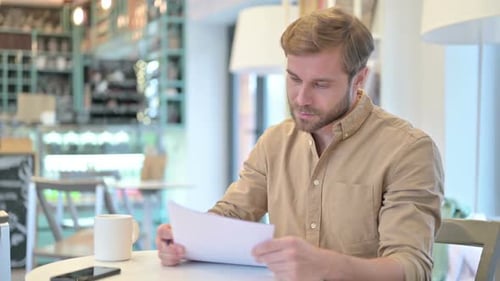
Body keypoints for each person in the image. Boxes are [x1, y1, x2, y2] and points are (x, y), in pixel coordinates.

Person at [156, 6, 443, 281]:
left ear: (360, 79)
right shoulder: (275, 142)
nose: (301, 98)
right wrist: (186, 240)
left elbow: (411, 268)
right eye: (294, 79)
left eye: (320, 84)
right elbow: (231, 215)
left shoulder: (408, 150)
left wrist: (327, 265)